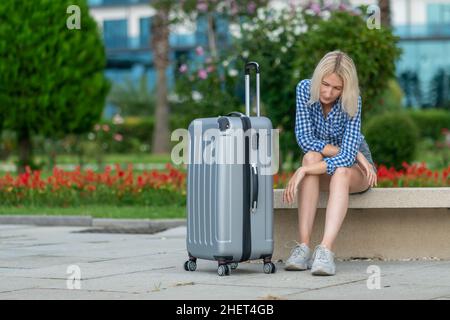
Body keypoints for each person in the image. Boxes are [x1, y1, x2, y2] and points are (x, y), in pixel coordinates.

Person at [282, 51, 377, 276]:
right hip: (331, 162)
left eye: (337, 88)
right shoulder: (305, 89)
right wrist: (350, 152)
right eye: (325, 84)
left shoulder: (354, 101)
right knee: (310, 156)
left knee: (339, 171)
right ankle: (303, 247)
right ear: (318, 79)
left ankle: (325, 250)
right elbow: (305, 140)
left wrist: (355, 156)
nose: (328, 92)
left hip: (356, 170)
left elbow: (345, 160)